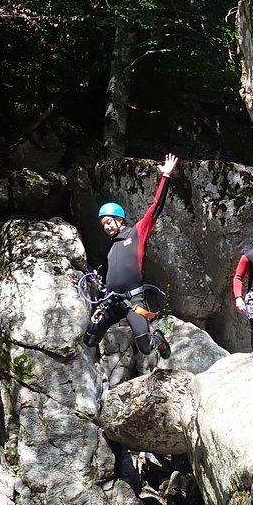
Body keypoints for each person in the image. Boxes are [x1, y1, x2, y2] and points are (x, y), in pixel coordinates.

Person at [83, 153, 179, 358]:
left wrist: (165, 177)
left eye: (109, 221)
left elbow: (156, 208)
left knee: (145, 347)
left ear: (119, 219)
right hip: (112, 301)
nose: (106, 227)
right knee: (89, 339)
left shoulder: (136, 233)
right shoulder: (111, 247)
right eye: (103, 224)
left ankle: (159, 340)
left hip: (133, 300)